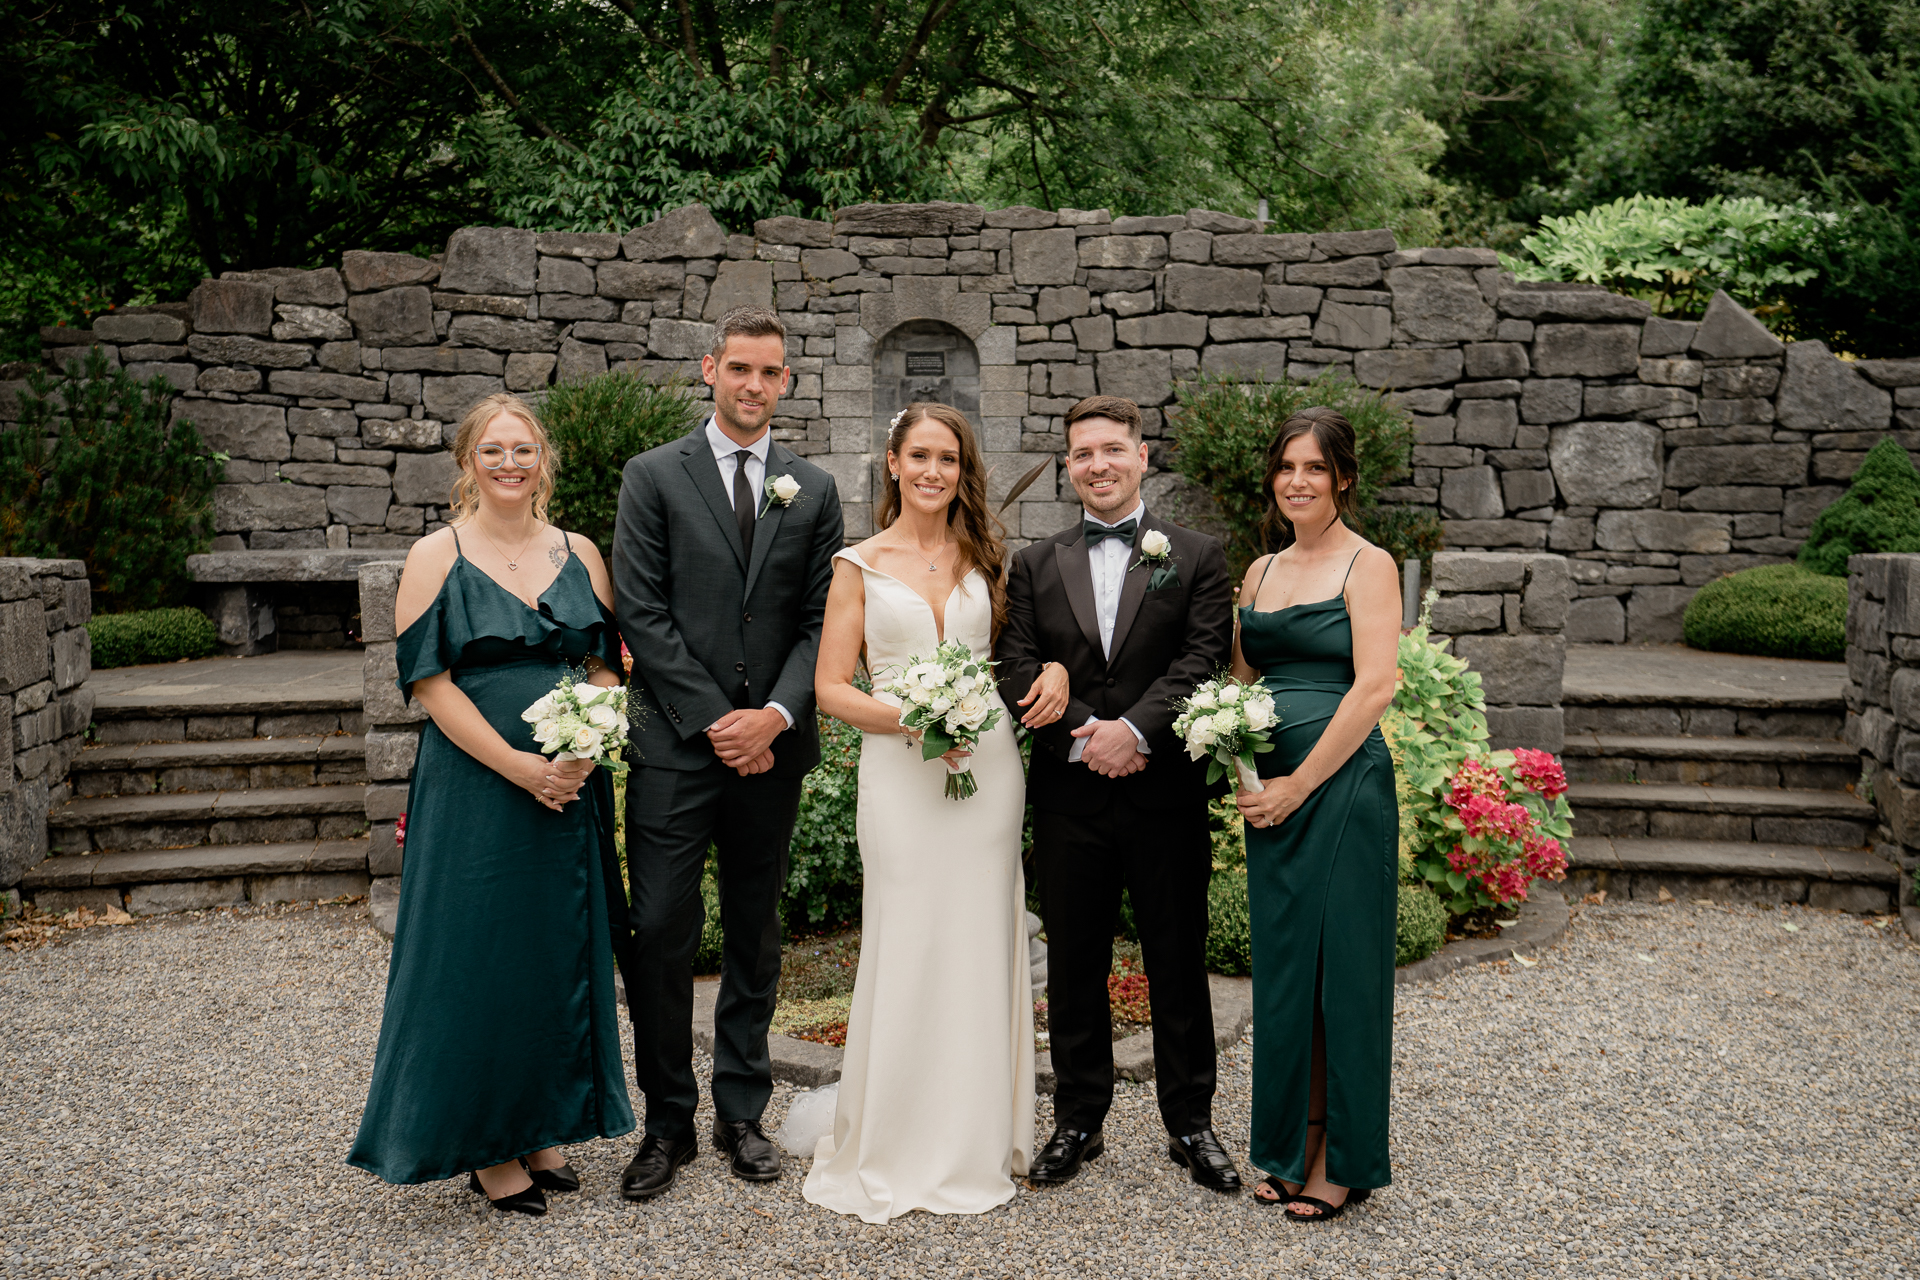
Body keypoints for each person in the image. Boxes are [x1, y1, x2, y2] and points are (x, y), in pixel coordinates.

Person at [347, 393, 633, 1216]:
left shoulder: (578, 550)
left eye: (524, 450)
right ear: (468, 463)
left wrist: (585, 744)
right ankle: (487, 1146)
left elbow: (607, 662)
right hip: (478, 783)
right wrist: (518, 764)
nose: (510, 464)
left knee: (554, 952)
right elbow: (429, 683)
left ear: (544, 460)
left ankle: (542, 1124)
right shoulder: (436, 554)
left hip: (570, 784)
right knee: (476, 956)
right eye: (493, 451)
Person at [804, 402, 1069, 1222]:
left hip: (986, 770)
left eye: (948, 459)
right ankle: (896, 1136)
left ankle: (982, 1132)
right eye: (919, 456)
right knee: (911, 938)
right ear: (892, 462)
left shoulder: (988, 556)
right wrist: (912, 719)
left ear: (963, 470)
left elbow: (1018, 653)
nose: (933, 472)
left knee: (982, 938)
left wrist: (1054, 668)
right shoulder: (858, 563)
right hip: (902, 770)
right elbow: (830, 687)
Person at [612, 305, 845, 1200]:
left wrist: (776, 718)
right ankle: (666, 1123)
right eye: (739, 368)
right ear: (709, 369)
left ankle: (740, 1111)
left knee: (754, 932)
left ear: (786, 381)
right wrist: (718, 719)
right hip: (677, 747)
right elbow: (642, 609)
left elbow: (821, 620)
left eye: (771, 372)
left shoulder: (813, 489)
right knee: (664, 930)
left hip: (771, 753)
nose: (754, 386)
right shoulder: (652, 476)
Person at [996, 394, 1242, 1194]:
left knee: (1176, 959)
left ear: (1141, 455)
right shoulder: (1034, 562)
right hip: (1070, 797)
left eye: (1110, 450)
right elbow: (1016, 664)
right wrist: (1084, 731)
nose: (1096, 465)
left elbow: (1201, 658)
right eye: (1081, 455)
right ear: (1068, 468)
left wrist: (1131, 732)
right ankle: (1077, 1120)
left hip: (1163, 791)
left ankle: (1192, 1123)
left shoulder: (1197, 555)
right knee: (1073, 965)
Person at [1231, 406, 1400, 1221]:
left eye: (1314, 469)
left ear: (1343, 479)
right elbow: (1234, 690)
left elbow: (1374, 686)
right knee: (1289, 971)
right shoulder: (1258, 574)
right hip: (1272, 800)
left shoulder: (1369, 565)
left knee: (1347, 976)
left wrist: (1299, 783)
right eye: (1286, 468)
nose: (1298, 482)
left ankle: (1345, 1157)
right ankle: (1290, 1145)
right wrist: (1237, 765)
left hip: (1341, 790)